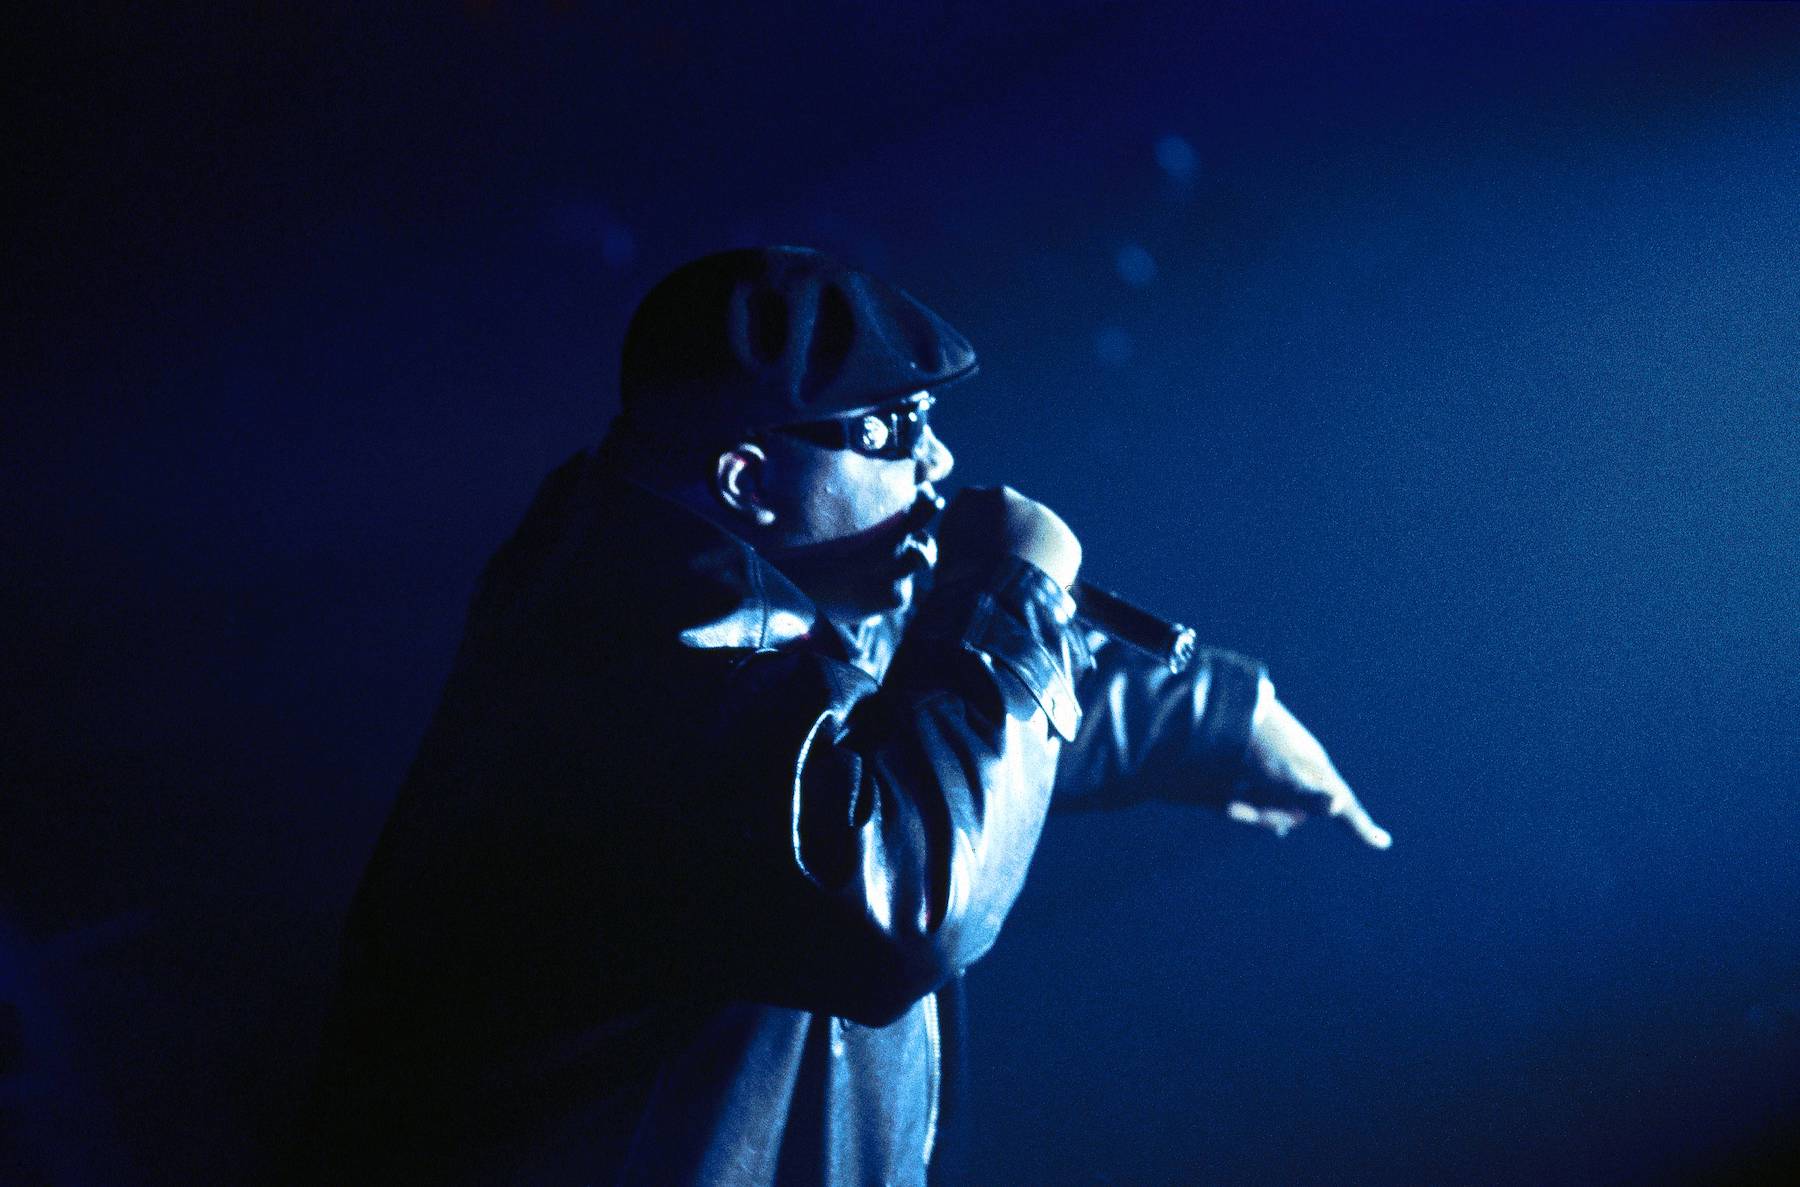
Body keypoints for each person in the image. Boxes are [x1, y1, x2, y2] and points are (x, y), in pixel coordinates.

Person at [298, 246, 1389, 1186]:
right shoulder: (629, 673)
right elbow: (908, 897)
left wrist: (1222, 718)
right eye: (890, 428)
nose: (938, 461)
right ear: (746, 478)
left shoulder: (739, 597)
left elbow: (917, 702)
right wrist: (1012, 592)